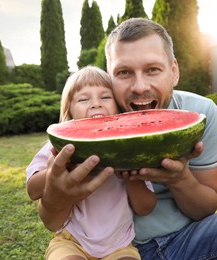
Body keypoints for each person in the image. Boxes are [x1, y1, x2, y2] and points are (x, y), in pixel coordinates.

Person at [33, 18, 217, 259]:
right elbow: (51, 220)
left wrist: (179, 178)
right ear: (110, 77)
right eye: (123, 73)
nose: (140, 87)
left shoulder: (201, 112)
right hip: (112, 250)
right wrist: (59, 192)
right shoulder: (88, 125)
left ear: (174, 71)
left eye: (153, 69)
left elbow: (205, 208)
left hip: (187, 242)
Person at [26, 65, 156, 259]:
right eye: (84, 99)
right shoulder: (59, 146)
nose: (96, 104)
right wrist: (56, 172)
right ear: (69, 110)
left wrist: (129, 174)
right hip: (71, 242)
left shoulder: (130, 148)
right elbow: (33, 190)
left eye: (105, 97)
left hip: (120, 246)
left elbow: (146, 207)